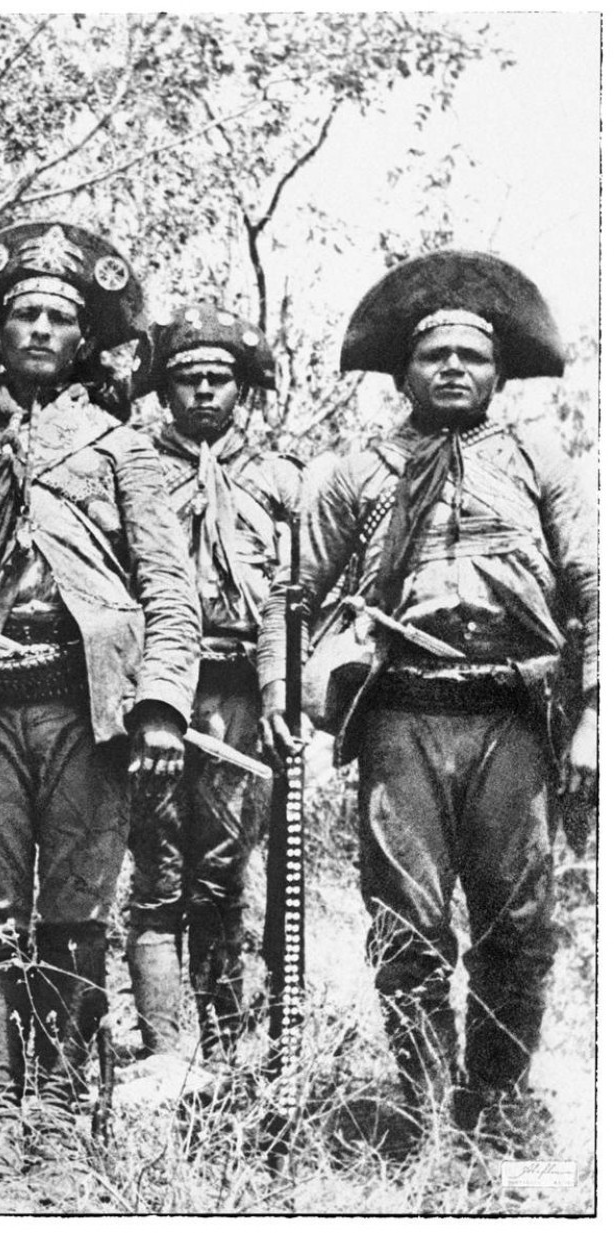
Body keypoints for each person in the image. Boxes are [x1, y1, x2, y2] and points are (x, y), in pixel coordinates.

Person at [0, 222, 198, 1182]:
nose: (38, 328)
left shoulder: (122, 449)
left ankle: (62, 1110)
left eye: (59, 318)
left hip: (85, 707)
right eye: (22, 313)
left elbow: (169, 589)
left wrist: (162, 704)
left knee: (76, 908)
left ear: (83, 341)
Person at [303, 251, 596, 1152]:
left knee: (520, 921)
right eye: (436, 356)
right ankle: (425, 1111)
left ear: (499, 372)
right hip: (402, 715)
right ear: (406, 373)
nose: (455, 369)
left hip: (513, 715)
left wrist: (594, 717)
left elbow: (595, 586)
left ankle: (495, 1099)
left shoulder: (540, 460)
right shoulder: (362, 470)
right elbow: (295, 593)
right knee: (407, 923)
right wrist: (288, 690)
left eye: (473, 356)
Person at [124, 305, 300, 1075]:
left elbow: (294, 595)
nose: (203, 391)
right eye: (187, 378)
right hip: (155, 695)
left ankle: (225, 1053)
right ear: (163, 390)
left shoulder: (280, 480)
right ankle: (165, 1052)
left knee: (223, 872)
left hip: (238, 691)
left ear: (242, 389)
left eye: (219, 378)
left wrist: (280, 691)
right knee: (156, 871)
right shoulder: (132, 468)